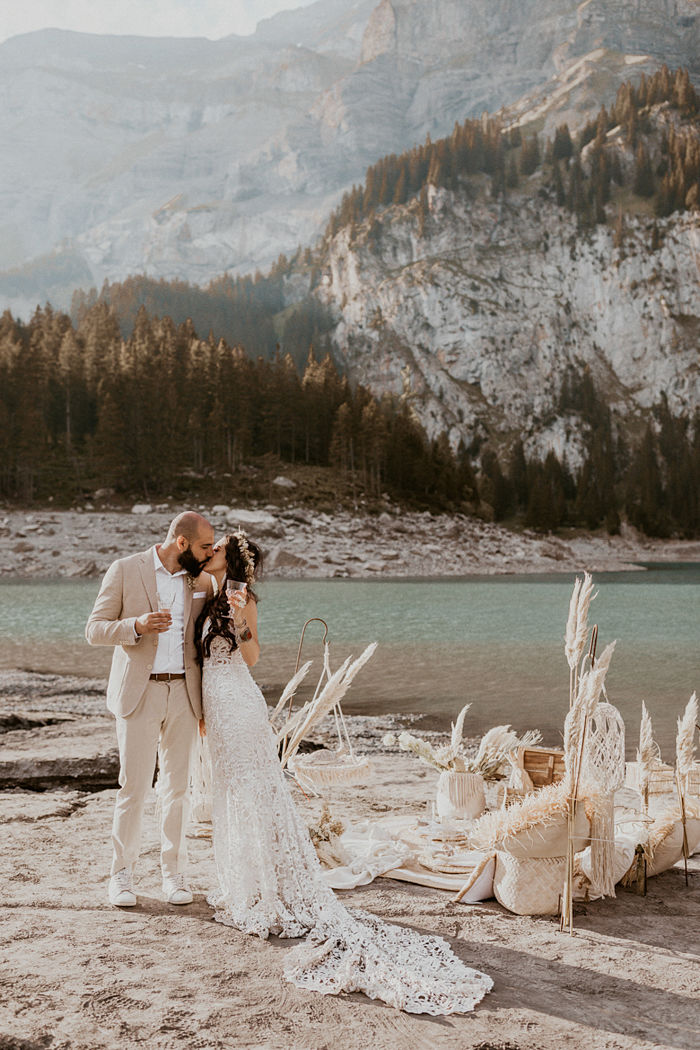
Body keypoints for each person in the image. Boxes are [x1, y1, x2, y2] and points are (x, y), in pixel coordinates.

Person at [195, 531, 493, 1015]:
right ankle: (245, 883)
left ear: (232, 562)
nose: (207, 555)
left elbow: (251, 658)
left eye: (215, 551)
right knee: (234, 792)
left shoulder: (241, 599)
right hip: (217, 705)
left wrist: (239, 618)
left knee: (258, 791)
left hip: (241, 703)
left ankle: (269, 891)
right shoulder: (203, 595)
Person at [86, 511, 215, 908]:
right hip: (138, 695)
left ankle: (172, 873)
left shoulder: (201, 581)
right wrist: (137, 625)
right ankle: (120, 875)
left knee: (176, 790)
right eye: (204, 546)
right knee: (135, 788)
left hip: (184, 694)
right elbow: (94, 629)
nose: (209, 554)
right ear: (182, 543)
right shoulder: (125, 570)